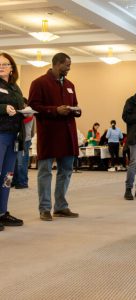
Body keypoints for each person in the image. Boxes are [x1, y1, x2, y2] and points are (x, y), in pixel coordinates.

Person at [28, 52, 81, 221]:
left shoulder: (70, 84)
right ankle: (44, 208)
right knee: (45, 172)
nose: (69, 68)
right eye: (67, 65)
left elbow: (74, 105)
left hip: (67, 134)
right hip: (49, 134)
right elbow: (33, 107)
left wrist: (76, 110)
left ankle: (61, 206)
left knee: (65, 171)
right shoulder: (39, 83)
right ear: (57, 64)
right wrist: (55, 110)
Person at [0, 52, 25, 230]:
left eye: (5, 64)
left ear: (12, 68)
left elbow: (20, 106)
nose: (1, 67)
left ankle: (2, 212)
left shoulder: (15, 87)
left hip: (14, 136)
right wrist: (2, 107)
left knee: (7, 176)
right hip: (0, 134)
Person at [13, 98, 34, 189]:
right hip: (18, 139)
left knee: (21, 162)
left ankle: (22, 182)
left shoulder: (29, 110)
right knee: (15, 161)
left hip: (24, 140)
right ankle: (15, 181)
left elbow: (23, 115)